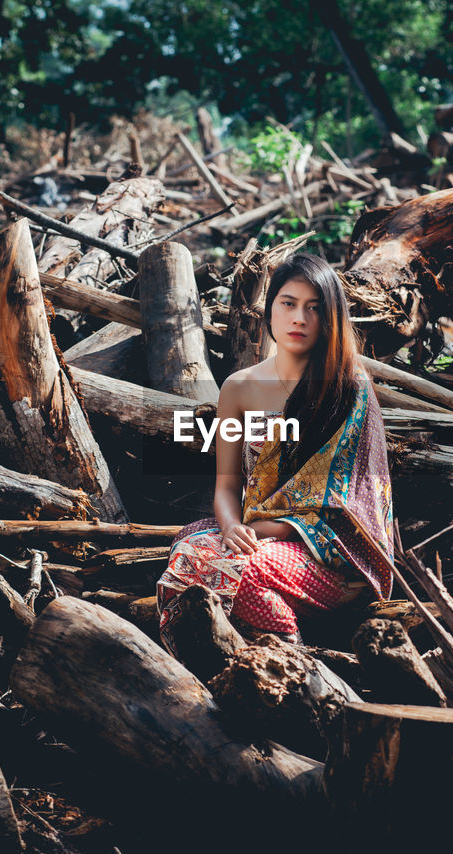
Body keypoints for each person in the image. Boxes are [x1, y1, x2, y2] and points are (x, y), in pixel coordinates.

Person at [157, 253, 395, 649]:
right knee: (187, 549)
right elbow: (227, 487)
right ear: (270, 311)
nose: (299, 318)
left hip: (332, 556)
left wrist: (259, 531)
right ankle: (223, 650)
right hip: (255, 533)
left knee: (243, 570)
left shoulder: (347, 387)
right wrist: (233, 527)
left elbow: (344, 503)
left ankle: (291, 651)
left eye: (313, 308)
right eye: (288, 304)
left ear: (330, 318)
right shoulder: (239, 388)